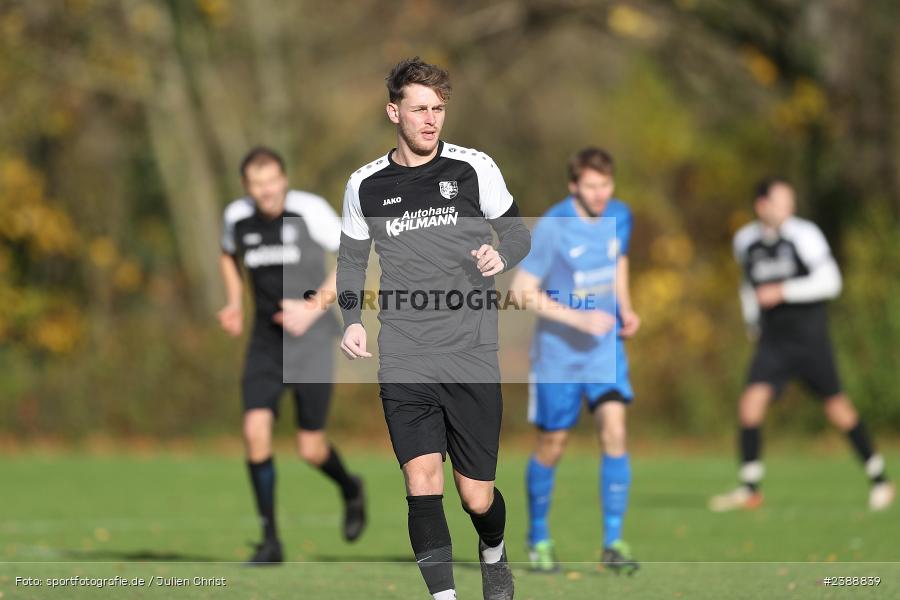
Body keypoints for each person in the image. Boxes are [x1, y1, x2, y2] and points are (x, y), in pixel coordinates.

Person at [335, 57, 530, 600]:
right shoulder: (365, 186)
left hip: (470, 351)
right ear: (393, 112)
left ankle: (493, 553)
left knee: (476, 497)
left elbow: (518, 233)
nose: (431, 120)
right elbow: (351, 262)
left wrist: (501, 252)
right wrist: (350, 320)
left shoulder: (473, 169)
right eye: (419, 109)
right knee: (422, 483)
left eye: (438, 109)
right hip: (404, 353)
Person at [709, 177, 895, 512]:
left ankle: (879, 478)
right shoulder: (745, 241)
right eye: (782, 202)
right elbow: (747, 285)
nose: (788, 208)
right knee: (750, 404)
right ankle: (750, 488)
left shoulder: (804, 235)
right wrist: (752, 321)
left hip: (809, 339)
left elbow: (831, 282)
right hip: (773, 341)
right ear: (761, 205)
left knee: (838, 410)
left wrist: (784, 291)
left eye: (790, 202)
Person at [218, 146, 366, 564]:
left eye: (271, 182)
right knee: (254, 432)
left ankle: (350, 488)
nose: (265, 192)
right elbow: (226, 254)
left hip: (314, 338)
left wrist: (313, 306)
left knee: (309, 448)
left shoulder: (310, 212)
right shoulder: (237, 218)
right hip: (266, 340)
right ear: (247, 187)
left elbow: (351, 256)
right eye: (256, 184)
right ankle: (271, 542)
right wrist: (233, 303)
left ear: (284, 179)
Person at [510, 147, 640, 575]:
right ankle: (538, 538)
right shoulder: (553, 227)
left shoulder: (620, 216)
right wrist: (580, 319)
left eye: (605, 184)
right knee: (553, 445)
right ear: (573, 186)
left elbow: (617, 263)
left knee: (614, 431)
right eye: (590, 185)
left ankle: (613, 542)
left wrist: (627, 308)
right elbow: (521, 291)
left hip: (605, 352)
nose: (600, 194)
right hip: (558, 359)